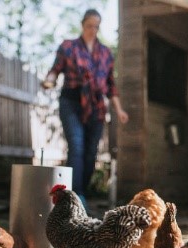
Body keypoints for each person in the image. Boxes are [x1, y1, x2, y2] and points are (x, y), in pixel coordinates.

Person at [42, 8, 128, 208]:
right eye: (89, 26)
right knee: (77, 145)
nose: (93, 30)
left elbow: (110, 85)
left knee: (91, 152)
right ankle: (76, 195)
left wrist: (119, 109)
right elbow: (55, 70)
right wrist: (49, 80)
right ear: (82, 25)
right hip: (71, 102)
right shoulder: (68, 47)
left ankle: (81, 191)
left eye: (96, 27)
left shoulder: (106, 53)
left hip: (96, 108)